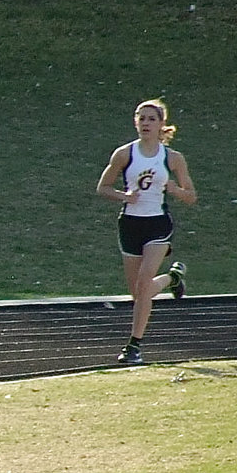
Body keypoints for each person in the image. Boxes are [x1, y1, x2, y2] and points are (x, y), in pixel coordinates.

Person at [95, 98, 197, 366]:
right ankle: (172, 279)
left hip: (158, 224)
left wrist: (176, 190)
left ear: (162, 124)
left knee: (143, 283)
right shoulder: (125, 154)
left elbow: (191, 196)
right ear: (135, 122)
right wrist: (124, 196)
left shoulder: (173, 159)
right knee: (138, 293)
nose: (145, 123)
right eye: (141, 118)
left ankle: (133, 346)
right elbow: (102, 187)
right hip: (130, 224)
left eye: (151, 119)